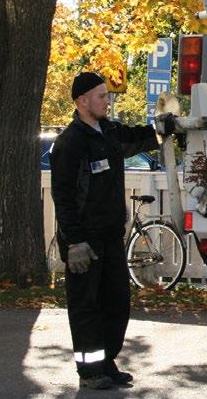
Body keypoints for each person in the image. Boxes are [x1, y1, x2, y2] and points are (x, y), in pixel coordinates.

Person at [50, 72, 159, 390]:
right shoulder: (71, 143)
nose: (107, 100)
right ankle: (90, 372)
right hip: (85, 241)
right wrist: (74, 242)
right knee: (87, 307)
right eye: (101, 95)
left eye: (107, 95)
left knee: (117, 303)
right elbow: (63, 197)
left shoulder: (109, 132)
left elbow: (139, 137)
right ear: (82, 102)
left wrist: (166, 129)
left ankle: (106, 361)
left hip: (112, 236)